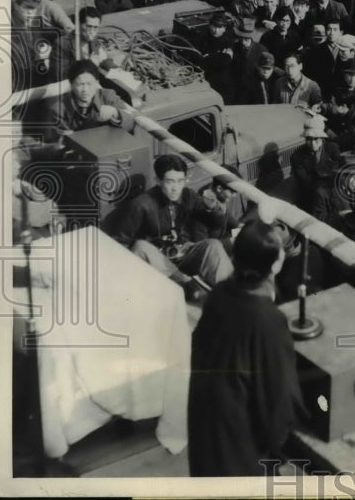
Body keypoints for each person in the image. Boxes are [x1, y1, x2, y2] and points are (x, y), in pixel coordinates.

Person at [187, 219, 306, 476]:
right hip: (240, 448)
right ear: (276, 263)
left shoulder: (219, 295)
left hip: (205, 431)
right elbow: (278, 399)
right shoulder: (267, 319)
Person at [107, 154, 233, 293]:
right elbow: (118, 243)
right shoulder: (141, 204)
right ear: (158, 181)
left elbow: (219, 223)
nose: (176, 188)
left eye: (180, 181)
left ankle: (235, 294)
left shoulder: (188, 195)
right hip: (158, 263)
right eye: (170, 181)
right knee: (141, 246)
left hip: (182, 255)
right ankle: (185, 286)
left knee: (212, 245)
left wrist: (212, 207)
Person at [44, 58, 134, 142]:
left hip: (109, 144)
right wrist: (67, 139)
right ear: (71, 85)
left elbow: (131, 125)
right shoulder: (59, 109)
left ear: (97, 83)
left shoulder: (107, 96)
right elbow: (53, 142)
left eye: (89, 84)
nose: (85, 90)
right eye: (80, 84)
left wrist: (116, 113)